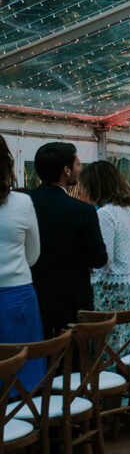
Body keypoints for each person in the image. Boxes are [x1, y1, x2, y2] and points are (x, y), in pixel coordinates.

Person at [27, 142, 107, 338]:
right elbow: (98, 258)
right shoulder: (82, 210)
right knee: (74, 354)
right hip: (72, 301)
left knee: (40, 350)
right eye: (77, 164)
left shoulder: (25, 202)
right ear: (66, 170)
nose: (79, 169)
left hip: (34, 294)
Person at [79, 161, 130, 355]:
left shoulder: (105, 213)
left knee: (111, 347)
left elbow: (103, 259)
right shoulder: (126, 210)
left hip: (113, 291)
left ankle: (112, 373)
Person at [0, 135, 45, 393]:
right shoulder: (23, 203)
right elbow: (32, 255)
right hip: (18, 294)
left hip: (17, 296)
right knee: (24, 375)